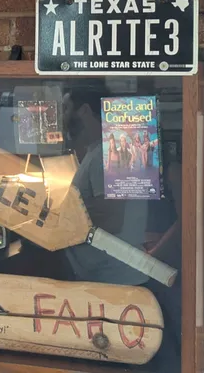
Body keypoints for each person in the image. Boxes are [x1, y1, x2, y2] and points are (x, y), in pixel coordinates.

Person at [62, 86, 149, 286]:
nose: (62, 119)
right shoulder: (102, 151)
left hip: (114, 281)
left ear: (83, 111)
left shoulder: (108, 153)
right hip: (112, 278)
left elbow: (111, 220)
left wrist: (58, 222)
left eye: (66, 109)